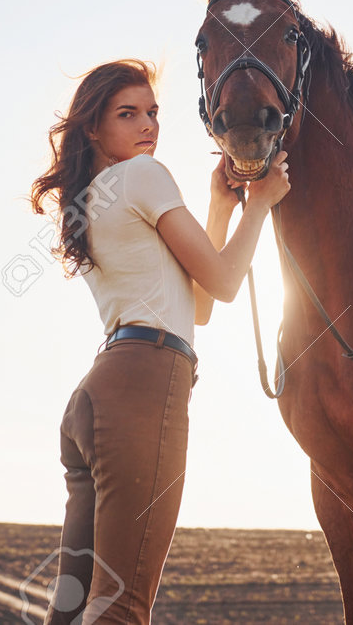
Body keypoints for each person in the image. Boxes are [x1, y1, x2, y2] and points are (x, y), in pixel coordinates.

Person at [28, 59, 290, 624]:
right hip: (144, 385)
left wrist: (221, 205)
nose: (148, 125)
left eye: (152, 113)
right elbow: (221, 285)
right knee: (122, 604)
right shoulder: (144, 177)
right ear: (93, 129)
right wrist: (262, 205)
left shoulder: (93, 199)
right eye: (129, 114)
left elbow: (193, 305)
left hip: (96, 399)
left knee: (73, 607)